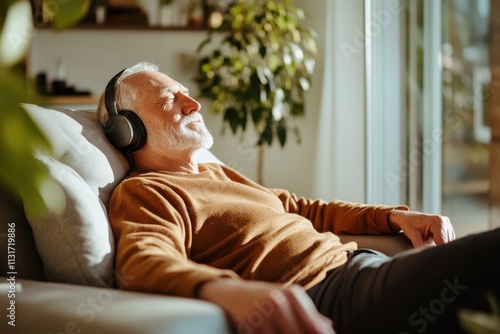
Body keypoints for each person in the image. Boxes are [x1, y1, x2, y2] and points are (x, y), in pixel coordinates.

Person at [97, 62, 499, 334]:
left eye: (186, 93)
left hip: (360, 266)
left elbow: (303, 208)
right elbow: (142, 261)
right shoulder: (147, 191)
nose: (194, 104)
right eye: (171, 99)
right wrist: (226, 290)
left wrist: (393, 218)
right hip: (331, 295)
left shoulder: (215, 172)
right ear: (128, 131)